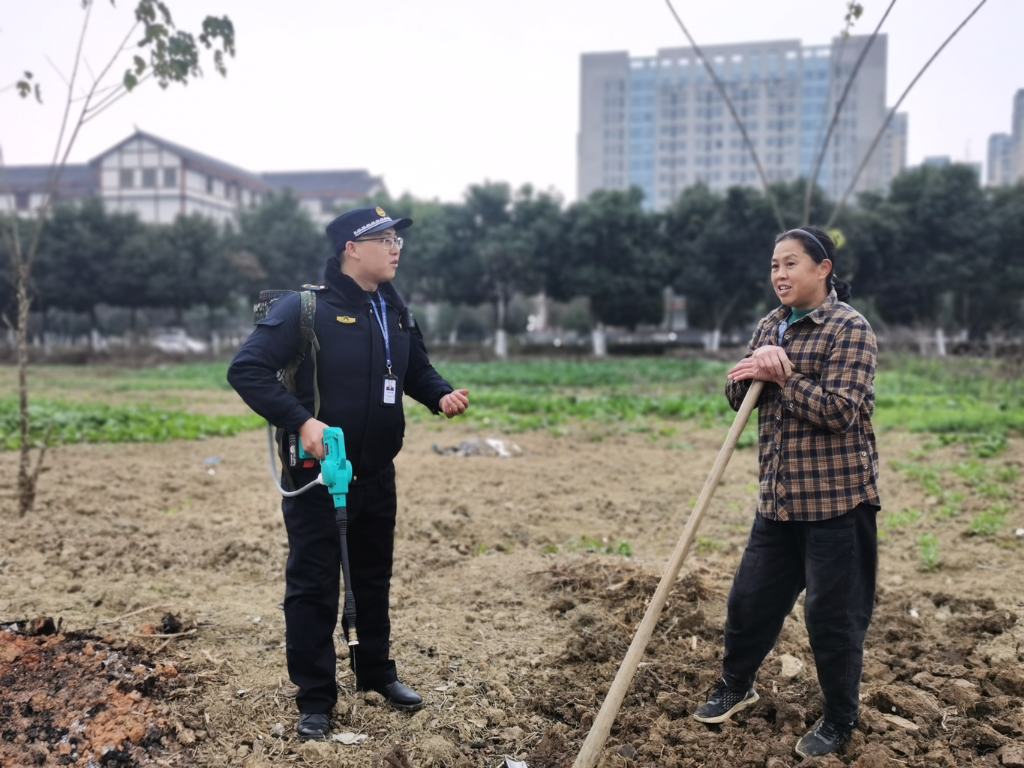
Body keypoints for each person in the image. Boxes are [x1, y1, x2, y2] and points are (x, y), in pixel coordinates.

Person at [228, 207, 470, 741]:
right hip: (317, 474)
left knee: (372, 578)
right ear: (350, 249)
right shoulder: (305, 309)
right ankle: (316, 698)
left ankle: (376, 673)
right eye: (382, 239)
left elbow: (415, 370)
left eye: (397, 238)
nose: (395, 247)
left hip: (376, 473)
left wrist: (440, 395)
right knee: (313, 586)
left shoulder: (395, 308)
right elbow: (246, 370)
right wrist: (302, 420)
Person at [692, 227, 880, 759]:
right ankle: (736, 684)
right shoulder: (771, 325)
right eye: (774, 265)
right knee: (749, 601)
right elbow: (738, 393)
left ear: (823, 269)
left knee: (832, 616)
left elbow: (842, 411)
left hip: (837, 503)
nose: (779, 274)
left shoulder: (850, 329)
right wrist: (753, 372)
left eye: (791, 263)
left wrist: (785, 376)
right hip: (778, 498)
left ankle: (840, 718)